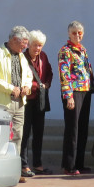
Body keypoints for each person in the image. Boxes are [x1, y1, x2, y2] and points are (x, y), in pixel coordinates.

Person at [0, 26, 33, 183]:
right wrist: (10, 88)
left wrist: (27, 86)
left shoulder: (21, 57)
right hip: (2, 104)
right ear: (14, 40)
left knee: (18, 138)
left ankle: (14, 172)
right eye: (24, 43)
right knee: (1, 137)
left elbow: (28, 74)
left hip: (19, 104)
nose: (26, 46)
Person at [58, 20, 94, 176]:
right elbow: (64, 75)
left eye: (80, 32)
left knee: (83, 129)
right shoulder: (65, 50)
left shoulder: (83, 49)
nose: (77, 35)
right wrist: (68, 96)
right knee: (73, 129)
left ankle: (79, 163)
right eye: (74, 32)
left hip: (85, 91)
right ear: (68, 33)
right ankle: (69, 165)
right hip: (73, 93)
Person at [20, 30, 53, 177]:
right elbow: (20, 78)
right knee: (25, 134)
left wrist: (46, 84)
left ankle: (38, 164)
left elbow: (49, 72)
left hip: (40, 100)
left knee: (39, 133)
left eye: (40, 45)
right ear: (29, 45)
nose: (37, 48)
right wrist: (36, 86)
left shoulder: (43, 56)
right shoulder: (22, 57)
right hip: (27, 100)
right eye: (35, 45)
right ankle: (24, 165)